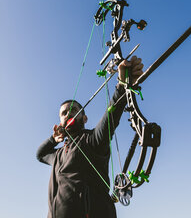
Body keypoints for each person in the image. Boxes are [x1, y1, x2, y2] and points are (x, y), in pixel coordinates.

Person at [36, 56, 143, 218]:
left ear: (84, 118)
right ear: (60, 121)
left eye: (73, 109)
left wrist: (122, 85)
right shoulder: (58, 155)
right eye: (63, 113)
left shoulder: (91, 140)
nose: (68, 114)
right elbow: (40, 154)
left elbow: (110, 119)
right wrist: (53, 139)